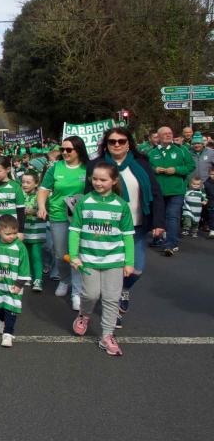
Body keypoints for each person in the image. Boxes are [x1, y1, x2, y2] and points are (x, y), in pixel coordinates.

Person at [86, 127, 165, 329]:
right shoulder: (96, 165)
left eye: (121, 141)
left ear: (129, 143)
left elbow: (155, 192)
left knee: (136, 268)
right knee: (112, 268)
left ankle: (122, 290)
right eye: (112, 141)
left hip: (137, 226)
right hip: (106, 227)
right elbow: (88, 195)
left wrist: (158, 222)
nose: (117, 145)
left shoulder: (141, 163)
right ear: (106, 144)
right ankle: (114, 312)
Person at [69, 162, 134, 357]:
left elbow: (128, 235)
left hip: (114, 260)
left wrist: (129, 261)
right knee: (90, 295)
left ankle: (107, 335)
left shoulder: (121, 206)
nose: (98, 182)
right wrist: (74, 255)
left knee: (111, 298)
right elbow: (75, 231)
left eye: (103, 179)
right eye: (95, 179)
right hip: (88, 259)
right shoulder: (84, 202)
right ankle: (84, 315)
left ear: (114, 181)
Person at [37, 136, 89, 309]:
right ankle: (65, 279)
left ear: (78, 150)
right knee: (60, 253)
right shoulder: (55, 168)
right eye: (62, 149)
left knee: (76, 254)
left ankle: (77, 292)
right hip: (59, 215)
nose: (65, 152)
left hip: (81, 218)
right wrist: (42, 206)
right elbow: (43, 190)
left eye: (69, 150)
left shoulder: (87, 168)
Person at [147, 126, 195, 256]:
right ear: (159, 136)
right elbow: (145, 168)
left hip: (176, 191)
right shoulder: (151, 152)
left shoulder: (181, 150)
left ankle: (170, 244)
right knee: (158, 217)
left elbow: (191, 166)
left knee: (172, 217)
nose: (168, 135)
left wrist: (176, 170)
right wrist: (154, 169)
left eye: (170, 133)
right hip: (158, 192)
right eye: (165, 134)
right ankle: (157, 239)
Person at [0, 214, 30, 348]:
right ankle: (2, 320)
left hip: (14, 285)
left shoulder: (20, 247)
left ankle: (8, 333)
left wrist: (19, 284)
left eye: (15, 233)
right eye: (8, 234)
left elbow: (24, 268)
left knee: (11, 307)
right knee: (0, 308)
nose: (12, 236)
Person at [21, 171, 46, 292]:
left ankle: (38, 279)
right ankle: (28, 275)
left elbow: (48, 213)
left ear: (36, 183)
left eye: (28, 182)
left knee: (36, 255)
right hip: (23, 230)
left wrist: (35, 212)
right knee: (26, 254)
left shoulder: (40, 196)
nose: (25, 184)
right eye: (23, 182)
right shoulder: (20, 194)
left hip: (37, 230)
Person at [205, 166, 214, 238]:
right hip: (211, 203)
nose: (213, 176)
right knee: (211, 217)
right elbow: (204, 193)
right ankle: (212, 230)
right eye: (212, 174)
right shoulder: (206, 183)